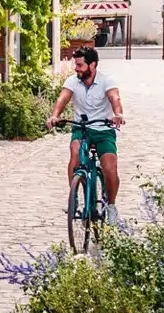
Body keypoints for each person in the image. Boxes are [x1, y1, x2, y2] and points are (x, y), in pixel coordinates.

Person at [46, 47, 124, 213]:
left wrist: (118, 114)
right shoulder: (72, 81)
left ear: (92, 65)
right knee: (75, 152)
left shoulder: (106, 81)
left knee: (110, 169)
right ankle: (73, 199)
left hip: (104, 130)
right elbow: (63, 98)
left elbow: (114, 98)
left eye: (80, 65)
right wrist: (54, 116)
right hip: (81, 128)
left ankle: (111, 206)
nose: (76, 68)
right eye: (76, 64)